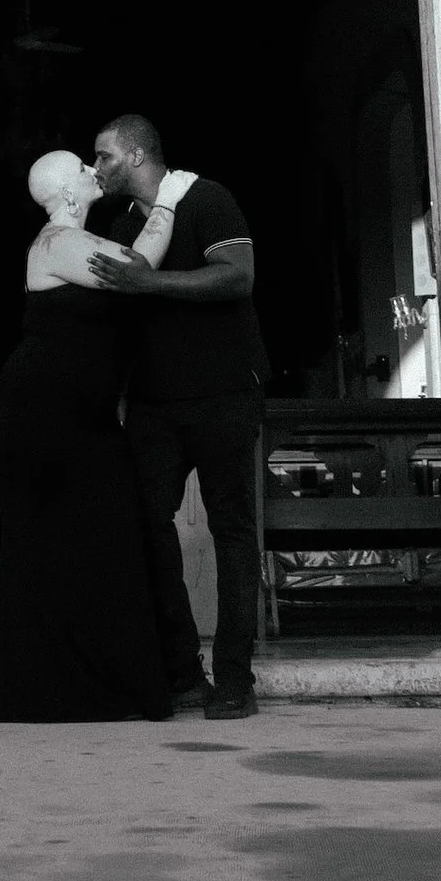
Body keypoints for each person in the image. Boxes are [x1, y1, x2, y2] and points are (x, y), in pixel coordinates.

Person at [0, 152, 178, 724]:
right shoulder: (56, 242)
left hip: (78, 418)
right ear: (67, 192)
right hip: (41, 417)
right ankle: (47, 691)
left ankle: (98, 688)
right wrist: (167, 201)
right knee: (56, 547)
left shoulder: (69, 237)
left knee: (100, 543)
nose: (95, 169)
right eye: (82, 168)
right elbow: (135, 268)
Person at [86, 113, 264, 721]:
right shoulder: (121, 224)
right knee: (146, 528)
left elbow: (238, 277)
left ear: (136, 155)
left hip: (223, 393)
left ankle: (236, 678)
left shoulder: (206, 198)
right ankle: (184, 674)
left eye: (105, 156)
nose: (97, 168)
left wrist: (150, 284)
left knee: (233, 530)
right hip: (154, 404)